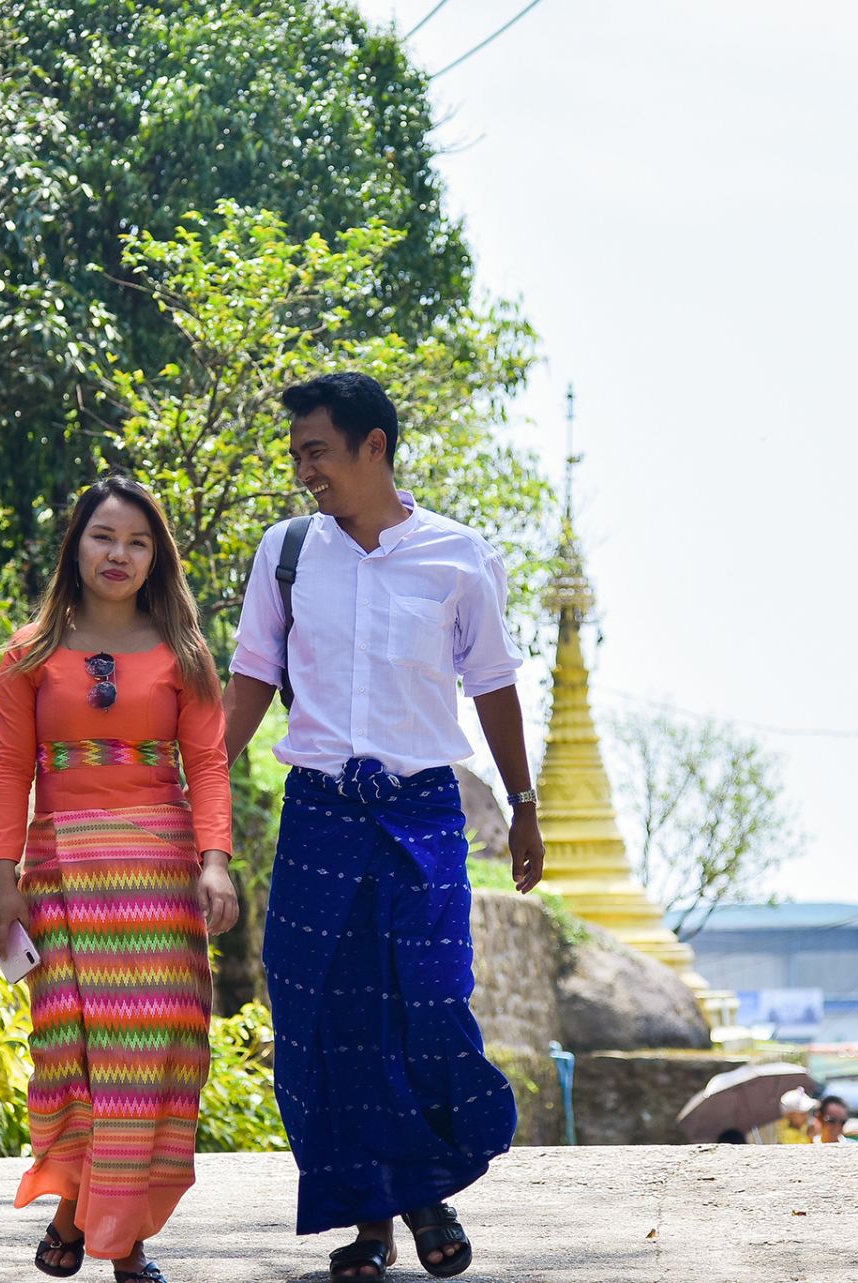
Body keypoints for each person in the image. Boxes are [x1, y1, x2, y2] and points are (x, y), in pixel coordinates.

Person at [221, 372, 547, 1282]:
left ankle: (426, 1188)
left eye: (316, 451)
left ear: (375, 447)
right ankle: (370, 1217)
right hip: (320, 812)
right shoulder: (286, 552)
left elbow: (493, 687)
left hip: (421, 814)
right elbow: (251, 674)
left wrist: (524, 807)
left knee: (428, 1003)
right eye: (295, 455)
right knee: (320, 1012)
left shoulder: (458, 556)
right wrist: (193, 783)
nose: (303, 471)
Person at [0, 474, 239, 1283]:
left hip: (158, 879)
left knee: (146, 1058)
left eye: (136, 541)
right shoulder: (29, 654)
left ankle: (94, 1226)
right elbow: (12, 767)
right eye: (103, 537)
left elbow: (209, 764)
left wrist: (216, 862)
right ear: (76, 545)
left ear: (156, 554)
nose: (118, 554)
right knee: (76, 1056)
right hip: (61, 876)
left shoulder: (184, 650)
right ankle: (109, 1234)